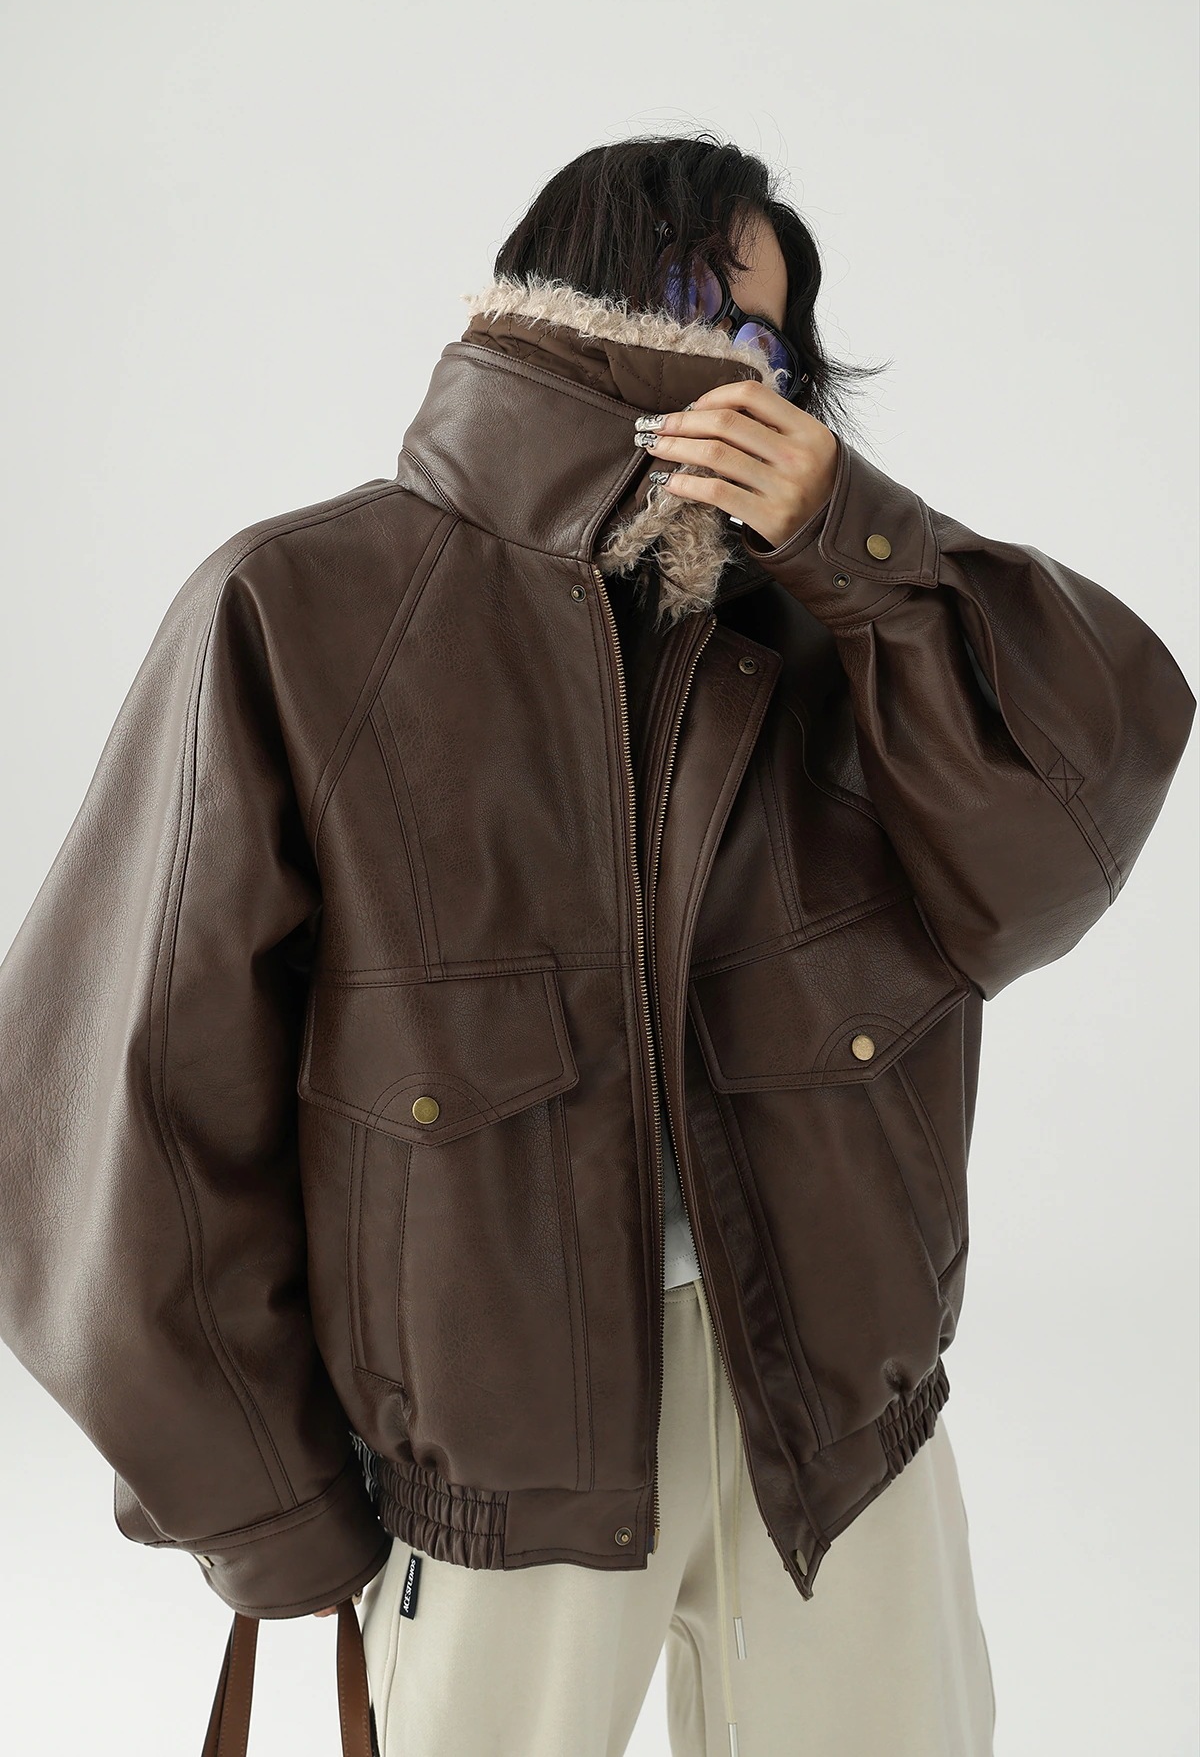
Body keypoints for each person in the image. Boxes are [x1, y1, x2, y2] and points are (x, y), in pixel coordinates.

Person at [0, 133, 1193, 1757]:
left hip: (838, 1431)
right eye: (701, 302)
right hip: (498, 1469)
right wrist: (270, 1509)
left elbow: (1064, 834)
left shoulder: (840, 628)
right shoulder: (300, 611)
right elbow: (112, 1113)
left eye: (771, 340)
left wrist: (865, 548)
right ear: (575, 293)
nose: (741, 369)